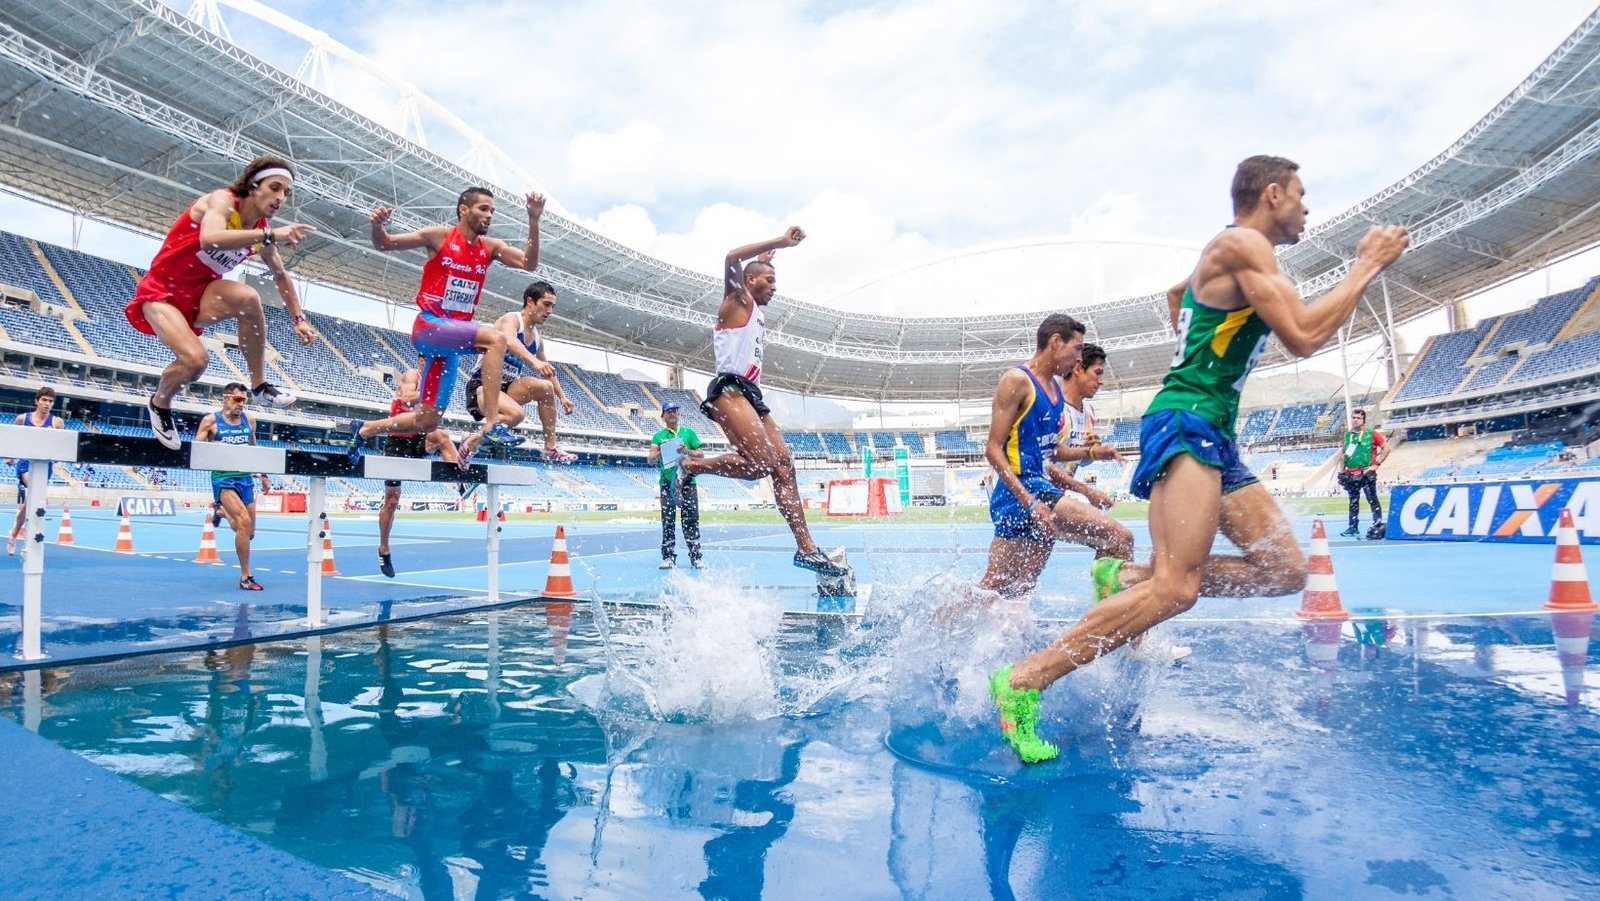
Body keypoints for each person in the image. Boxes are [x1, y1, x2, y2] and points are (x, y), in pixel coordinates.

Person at [990, 155, 1410, 763]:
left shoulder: (1235, 257)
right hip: (1188, 423)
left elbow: (1177, 294)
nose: (1306, 209)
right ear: (1272, 195)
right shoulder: (1242, 243)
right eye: (1300, 195)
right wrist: (1366, 264)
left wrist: (1204, 350)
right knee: (1178, 589)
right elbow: (1303, 335)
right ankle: (1024, 681)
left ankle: (1127, 577)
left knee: (1284, 571)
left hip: (1212, 429)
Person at [676, 228, 849, 577]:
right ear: (749, 280)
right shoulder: (736, 301)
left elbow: (752, 268)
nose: (774, 286)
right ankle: (692, 467)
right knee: (760, 465)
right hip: (730, 390)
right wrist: (779, 243)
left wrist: (768, 260)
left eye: (774, 281)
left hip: (752, 395)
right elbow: (731, 258)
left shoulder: (753, 307)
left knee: (784, 465)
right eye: (768, 280)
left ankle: (806, 549)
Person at [346, 187, 546, 466]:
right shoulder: (438, 236)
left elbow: (529, 263)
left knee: (427, 421)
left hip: (452, 342)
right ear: (464, 210)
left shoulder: (490, 249)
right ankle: (491, 424)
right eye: (483, 209)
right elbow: (385, 244)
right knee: (496, 339)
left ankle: (364, 429)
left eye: (492, 211)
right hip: (430, 326)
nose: (489, 215)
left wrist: (533, 219)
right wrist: (377, 226)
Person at [126, 156, 315, 449]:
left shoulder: (261, 230)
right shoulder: (223, 201)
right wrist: (269, 234)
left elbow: (280, 274)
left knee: (249, 298)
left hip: (201, 295)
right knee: (195, 362)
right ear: (253, 186)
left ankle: (259, 385)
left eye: (286, 193)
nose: (280, 198)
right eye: (275, 187)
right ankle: (160, 402)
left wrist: (298, 318)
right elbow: (210, 238)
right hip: (162, 292)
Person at [973, 323, 1129, 600]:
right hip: (1023, 489)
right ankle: (1110, 629)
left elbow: (1051, 451)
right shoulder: (1017, 380)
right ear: (1056, 341)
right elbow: (993, 449)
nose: (1079, 358)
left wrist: (1091, 453)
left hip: (1037, 491)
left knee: (1006, 588)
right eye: (1077, 348)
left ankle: (937, 623)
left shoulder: (1055, 392)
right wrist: (1030, 502)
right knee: (1119, 537)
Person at [464, 281, 577, 462]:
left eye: (553, 306)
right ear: (530, 301)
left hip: (507, 389)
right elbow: (508, 340)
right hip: (482, 387)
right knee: (516, 415)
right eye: (546, 304)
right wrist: (533, 361)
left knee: (546, 387)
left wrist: (562, 397)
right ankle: (472, 441)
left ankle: (551, 448)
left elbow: (547, 369)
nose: (550, 311)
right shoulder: (511, 319)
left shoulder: (538, 340)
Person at [377, 358, 461, 578]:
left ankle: (458, 478)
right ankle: (384, 548)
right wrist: (432, 393)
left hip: (418, 438)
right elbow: (406, 398)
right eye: (426, 359)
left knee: (442, 435)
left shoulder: (437, 380)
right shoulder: (412, 375)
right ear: (421, 360)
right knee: (392, 500)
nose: (430, 363)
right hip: (397, 441)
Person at [195, 382, 272, 590]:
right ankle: (246, 577)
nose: (241, 405)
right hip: (223, 478)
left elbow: (253, 449)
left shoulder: (250, 420)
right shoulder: (211, 421)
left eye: (244, 401)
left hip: (245, 478)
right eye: (237, 399)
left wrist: (263, 475)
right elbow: (196, 451)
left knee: (249, 533)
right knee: (244, 524)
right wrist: (212, 446)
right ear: (225, 398)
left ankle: (220, 512)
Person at [6, 386, 64, 556]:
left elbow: (62, 444)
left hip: (45, 466)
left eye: (50, 401)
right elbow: (11, 437)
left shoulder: (57, 422)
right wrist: (10, 456)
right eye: (44, 400)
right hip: (26, 463)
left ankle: (15, 532)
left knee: (31, 500)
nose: (47, 404)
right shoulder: (22, 419)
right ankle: (25, 538)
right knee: (34, 494)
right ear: (37, 401)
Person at [649, 401, 705, 569]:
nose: (672, 413)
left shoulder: (688, 433)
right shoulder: (658, 436)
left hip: (688, 482)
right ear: (663, 415)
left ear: (678, 414)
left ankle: (695, 557)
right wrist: (663, 449)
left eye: (675, 410)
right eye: (669, 411)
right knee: (667, 520)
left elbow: (701, 454)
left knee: (692, 519)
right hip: (667, 483)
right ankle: (668, 557)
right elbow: (650, 459)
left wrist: (686, 451)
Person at [1337, 408, 1388, 539]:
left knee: (1372, 499)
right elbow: (1344, 454)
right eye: (1353, 417)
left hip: (1366, 472)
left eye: (1358, 418)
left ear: (1363, 420)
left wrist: (1376, 465)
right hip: (1351, 474)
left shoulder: (1372, 434)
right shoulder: (1348, 435)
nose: (1355, 420)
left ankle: (1377, 524)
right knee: (1353, 501)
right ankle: (1353, 527)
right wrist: (1342, 471)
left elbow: (1387, 449)